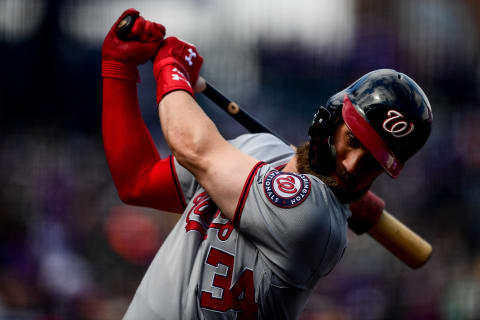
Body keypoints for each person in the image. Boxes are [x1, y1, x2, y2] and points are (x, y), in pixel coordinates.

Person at [101, 9, 433, 320]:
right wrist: (119, 69)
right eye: (354, 141)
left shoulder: (314, 218)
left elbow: (193, 146)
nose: (350, 165)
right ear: (329, 119)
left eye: (372, 164)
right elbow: (138, 181)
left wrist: (170, 67)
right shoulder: (260, 150)